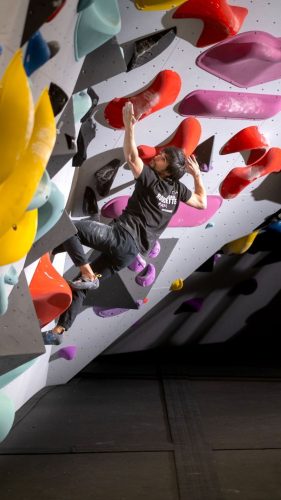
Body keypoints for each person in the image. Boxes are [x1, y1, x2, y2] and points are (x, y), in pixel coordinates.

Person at [42, 102, 207, 345]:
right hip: (129, 254)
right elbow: (202, 202)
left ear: (167, 171)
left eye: (162, 158)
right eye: (161, 154)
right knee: (83, 289)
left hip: (121, 238)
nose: (158, 156)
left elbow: (131, 156)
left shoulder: (152, 179)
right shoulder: (178, 190)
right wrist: (197, 176)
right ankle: (59, 333)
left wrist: (129, 124)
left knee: (71, 229)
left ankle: (86, 272)